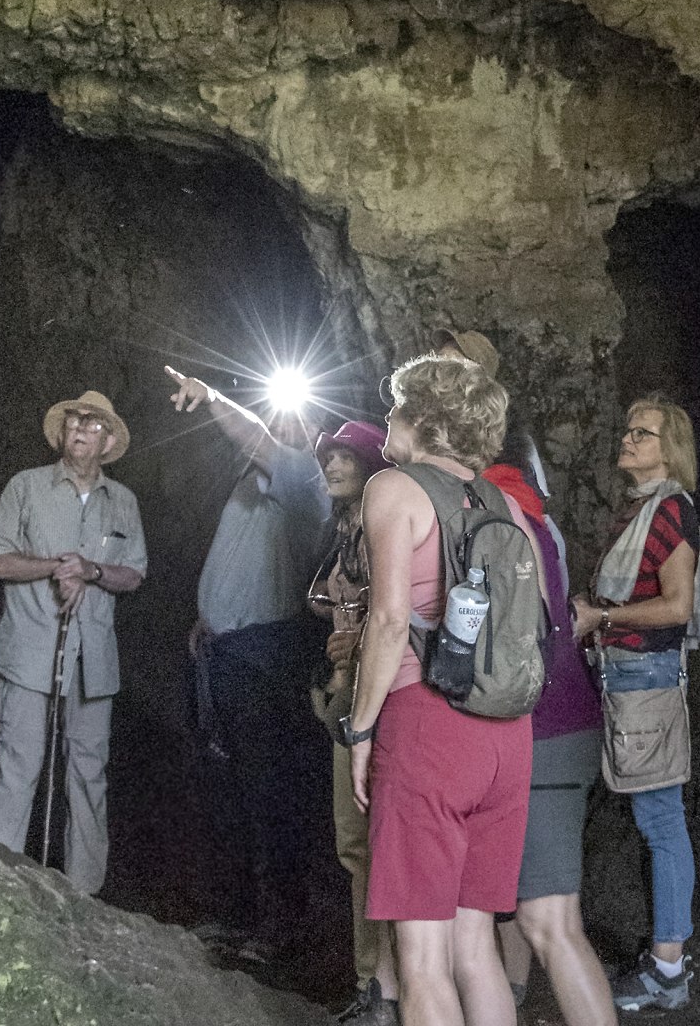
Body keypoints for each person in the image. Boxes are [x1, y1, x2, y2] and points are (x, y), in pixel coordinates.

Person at [345, 354, 544, 1026]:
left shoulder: (394, 489)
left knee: (422, 959)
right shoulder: (510, 507)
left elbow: (390, 619)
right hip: (506, 738)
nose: (387, 420)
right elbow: (534, 623)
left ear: (425, 419)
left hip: (428, 726)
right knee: (475, 949)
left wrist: (361, 729)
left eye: (396, 408)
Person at [164, 364, 334, 926]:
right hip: (222, 652)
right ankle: (234, 913)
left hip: (265, 656)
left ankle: (279, 925)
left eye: (300, 423)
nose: (286, 430)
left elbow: (255, 437)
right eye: (282, 419)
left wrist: (211, 396)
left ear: (316, 440)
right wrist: (209, 617)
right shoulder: (247, 487)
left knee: (266, 790)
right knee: (224, 785)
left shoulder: (307, 483)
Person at [571, 394, 700, 1014]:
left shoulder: (672, 512)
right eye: (627, 430)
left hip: (645, 677)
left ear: (670, 447)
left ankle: (668, 969)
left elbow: (678, 607)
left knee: (661, 821)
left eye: (643, 434)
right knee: (653, 819)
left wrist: (600, 614)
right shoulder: (638, 512)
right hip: (623, 674)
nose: (627, 440)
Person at [0, 390, 148, 895]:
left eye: (93, 424)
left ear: (108, 440)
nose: (80, 428)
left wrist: (91, 570)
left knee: (89, 775)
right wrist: (57, 566)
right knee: (19, 764)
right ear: (61, 432)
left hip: (93, 659)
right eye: (74, 420)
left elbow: (133, 574)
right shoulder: (26, 488)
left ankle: (83, 895)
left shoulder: (124, 503)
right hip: (28, 648)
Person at [485, 437, 618, 1026]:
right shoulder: (533, 514)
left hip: (545, 727)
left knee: (550, 923)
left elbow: (528, 629)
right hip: (560, 724)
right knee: (521, 909)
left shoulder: (495, 509)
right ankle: (509, 996)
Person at [308, 420, 400, 1026]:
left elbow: (404, 611)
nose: (334, 463)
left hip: (384, 701)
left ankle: (384, 986)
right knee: (354, 845)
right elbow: (329, 598)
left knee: (370, 844)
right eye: (330, 455)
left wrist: (358, 640)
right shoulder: (346, 530)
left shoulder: (379, 526)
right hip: (355, 692)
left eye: (346, 455)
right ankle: (374, 981)